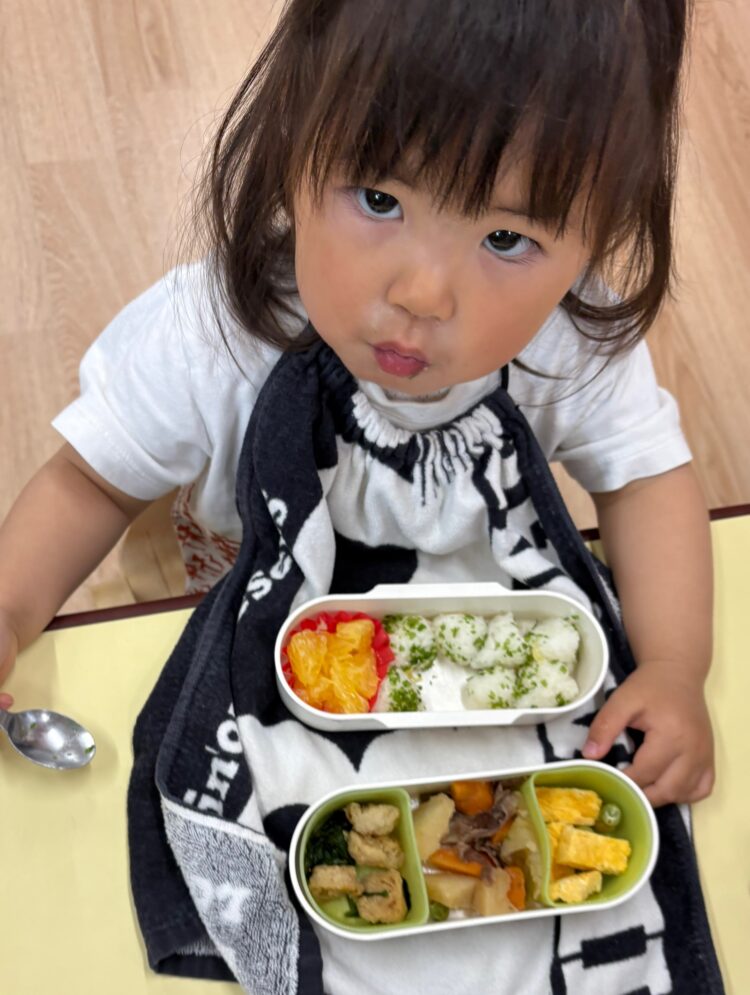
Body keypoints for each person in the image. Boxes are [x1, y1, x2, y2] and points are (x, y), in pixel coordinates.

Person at [0, 0, 712, 808]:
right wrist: (11, 606)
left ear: (599, 234)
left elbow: (646, 481)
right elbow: (88, 485)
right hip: (216, 607)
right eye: (378, 199)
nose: (422, 295)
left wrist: (674, 666)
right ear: (292, 143)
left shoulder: (570, 345)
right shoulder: (209, 335)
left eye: (506, 240)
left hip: (446, 659)